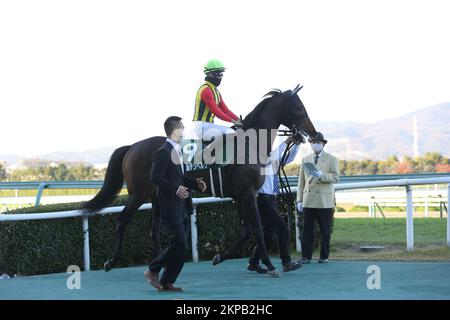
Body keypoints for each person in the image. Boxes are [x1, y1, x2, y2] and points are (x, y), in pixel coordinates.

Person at [145, 116, 207, 291]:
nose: (184, 130)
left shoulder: (177, 151)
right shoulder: (164, 151)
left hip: (181, 207)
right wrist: (175, 189)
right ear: (174, 131)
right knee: (180, 244)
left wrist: (196, 184)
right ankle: (152, 270)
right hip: (169, 207)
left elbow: (180, 178)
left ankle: (167, 281)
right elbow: (155, 177)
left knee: (180, 247)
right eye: (181, 127)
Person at [247, 135, 303, 274]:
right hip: (263, 200)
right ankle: (286, 262)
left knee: (267, 233)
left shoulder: (269, 161)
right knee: (282, 229)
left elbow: (287, 158)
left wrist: (296, 145)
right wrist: (286, 141)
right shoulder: (258, 161)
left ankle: (254, 262)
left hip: (270, 199)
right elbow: (274, 155)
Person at [296, 132, 339, 264]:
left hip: (324, 201)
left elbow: (335, 177)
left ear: (323, 144)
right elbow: (301, 181)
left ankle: (324, 256)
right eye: (313, 142)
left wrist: (322, 175)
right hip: (308, 199)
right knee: (307, 231)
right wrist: (299, 199)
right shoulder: (306, 159)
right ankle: (306, 256)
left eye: (318, 142)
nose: (315, 144)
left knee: (325, 231)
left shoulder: (332, 159)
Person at [193, 59, 243, 141]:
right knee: (231, 132)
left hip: (209, 126)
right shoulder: (206, 90)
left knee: (233, 131)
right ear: (209, 74)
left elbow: (226, 110)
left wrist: (239, 119)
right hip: (202, 127)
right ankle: (207, 152)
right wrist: (233, 121)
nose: (220, 77)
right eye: (218, 74)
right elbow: (216, 111)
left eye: (221, 74)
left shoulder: (216, 92)